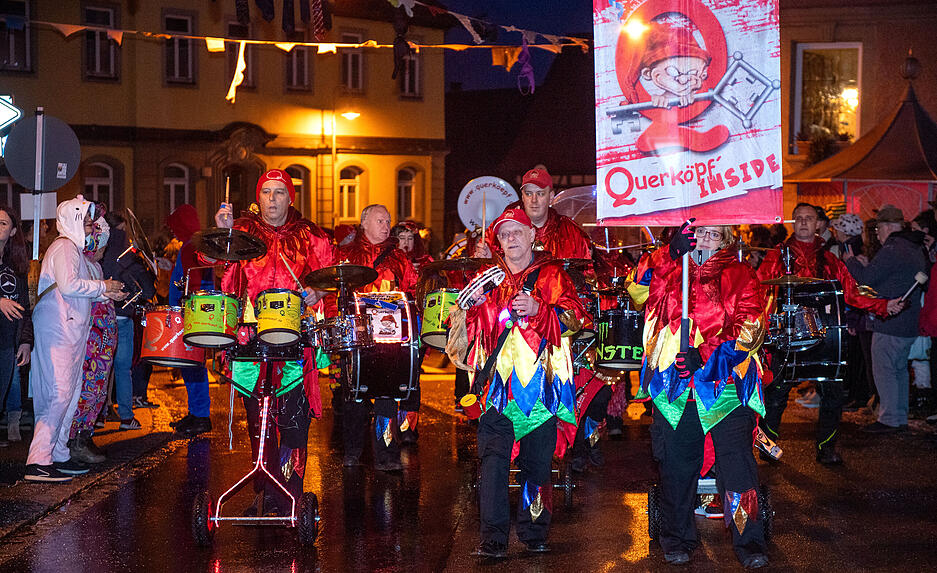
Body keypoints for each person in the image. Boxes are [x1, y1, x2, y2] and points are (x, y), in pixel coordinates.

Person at [628, 221, 769, 568]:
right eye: (698, 230)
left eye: (714, 232)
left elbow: (752, 327)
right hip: (676, 386)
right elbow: (637, 291)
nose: (704, 237)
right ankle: (676, 538)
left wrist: (706, 356)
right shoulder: (668, 268)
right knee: (677, 467)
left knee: (737, 467)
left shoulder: (740, 273)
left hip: (725, 385)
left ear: (726, 238)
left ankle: (748, 542)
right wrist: (667, 254)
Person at [459, 207, 587, 558]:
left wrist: (539, 309)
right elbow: (466, 335)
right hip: (495, 389)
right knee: (493, 461)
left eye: (518, 231)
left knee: (536, 464)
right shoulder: (488, 279)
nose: (511, 238)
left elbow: (576, 319)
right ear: (497, 241)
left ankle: (534, 533)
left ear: (533, 236)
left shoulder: (552, 275)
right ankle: (493, 538)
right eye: (504, 234)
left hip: (541, 387)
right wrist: (468, 309)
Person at [214, 169, 333, 514]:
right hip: (251, 338)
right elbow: (210, 260)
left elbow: (329, 276)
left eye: (279, 193)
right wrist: (223, 231)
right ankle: (263, 489)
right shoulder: (243, 230)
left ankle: (290, 494)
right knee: (259, 419)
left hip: (296, 339)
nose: (272, 199)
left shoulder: (312, 235)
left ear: (290, 197)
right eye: (266, 192)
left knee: (294, 418)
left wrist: (318, 292)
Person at [757, 204, 901, 464]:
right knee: (777, 394)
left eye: (808, 219)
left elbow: (853, 293)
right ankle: (767, 446)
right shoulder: (777, 255)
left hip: (824, 337)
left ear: (818, 224)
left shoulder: (830, 259)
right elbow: (759, 289)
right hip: (787, 335)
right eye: (798, 219)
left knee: (833, 394)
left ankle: (827, 448)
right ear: (792, 223)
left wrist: (883, 305)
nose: (803, 223)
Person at [25, 197, 126, 482]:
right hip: (58, 328)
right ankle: (39, 459)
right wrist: (103, 287)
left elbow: (79, 287)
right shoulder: (64, 246)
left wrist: (105, 292)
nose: (91, 227)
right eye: (86, 220)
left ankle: (58, 454)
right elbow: (69, 286)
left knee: (69, 394)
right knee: (57, 394)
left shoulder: (74, 251)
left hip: (69, 329)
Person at [335, 204, 419, 470]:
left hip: (390, 340)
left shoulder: (399, 257)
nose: (386, 225)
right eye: (380, 220)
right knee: (354, 397)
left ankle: (386, 455)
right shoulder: (346, 255)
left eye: (388, 220)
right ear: (364, 223)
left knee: (387, 397)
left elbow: (412, 292)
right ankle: (352, 452)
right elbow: (331, 293)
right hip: (357, 338)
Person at [844, 205, 929, 433]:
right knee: (898, 369)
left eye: (878, 229)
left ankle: (889, 419)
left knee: (884, 369)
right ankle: (898, 416)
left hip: (890, 321)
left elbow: (865, 280)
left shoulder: (893, 248)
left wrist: (851, 262)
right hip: (908, 321)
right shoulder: (913, 247)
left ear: (888, 227)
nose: (876, 234)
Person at [66, 213, 119, 464]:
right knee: (87, 387)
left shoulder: (95, 266)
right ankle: (75, 439)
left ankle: (85, 434)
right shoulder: (80, 263)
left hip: (102, 342)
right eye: (101, 244)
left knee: (97, 388)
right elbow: (82, 293)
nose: (102, 250)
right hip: (90, 341)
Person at [100, 211, 157, 434]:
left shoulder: (100, 253)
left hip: (101, 317)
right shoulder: (128, 255)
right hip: (123, 318)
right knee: (123, 369)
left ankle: (98, 416)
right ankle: (126, 416)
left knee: (101, 368)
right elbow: (149, 289)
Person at [166, 204, 214, 436]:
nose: (173, 232)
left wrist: (183, 311)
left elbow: (193, 283)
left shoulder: (191, 246)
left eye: (175, 226)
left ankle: (201, 416)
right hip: (191, 313)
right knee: (191, 366)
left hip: (191, 315)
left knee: (193, 365)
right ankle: (196, 413)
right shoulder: (193, 244)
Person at [475, 167, 591, 260]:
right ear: (522, 197)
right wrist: (486, 262)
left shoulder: (570, 232)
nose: (534, 200)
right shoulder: (501, 227)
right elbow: (479, 276)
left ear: (551, 197)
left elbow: (587, 276)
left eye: (540, 194)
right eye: (529, 194)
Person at [0, 205, 32, 448]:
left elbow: (24, 307)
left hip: (8, 342)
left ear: (12, 232)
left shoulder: (16, 265)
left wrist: (25, 341)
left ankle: (12, 422)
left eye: (3, 223)